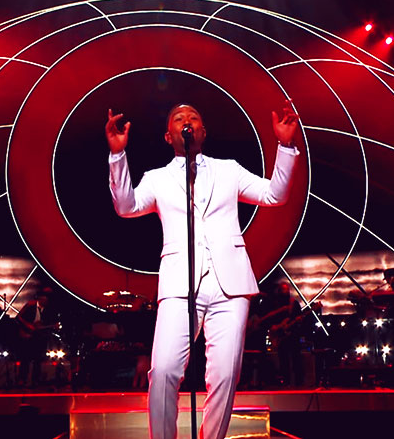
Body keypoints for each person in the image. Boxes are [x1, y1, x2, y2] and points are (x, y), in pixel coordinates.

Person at [106, 100, 300, 439]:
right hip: (180, 285)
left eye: (194, 117)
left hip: (231, 286)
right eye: (179, 118)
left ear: (203, 132)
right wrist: (118, 155)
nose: (187, 121)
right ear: (169, 136)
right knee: (164, 369)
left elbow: (275, 195)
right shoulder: (158, 179)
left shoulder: (229, 170)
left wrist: (284, 146)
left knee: (225, 374)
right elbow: (126, 206)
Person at [15, 286, 59, 387]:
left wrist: (52, 326)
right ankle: (22, 379)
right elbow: (18, 318)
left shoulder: (49, 309)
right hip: (27, 335)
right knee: (25, 359)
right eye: (44, 299)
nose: (45, 301)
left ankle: (36, 380)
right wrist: (27, 327)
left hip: (39, 336)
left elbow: (48, 324)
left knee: (38, 359)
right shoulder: (30, 305)